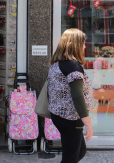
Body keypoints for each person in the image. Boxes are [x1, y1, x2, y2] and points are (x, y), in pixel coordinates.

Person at [48, 28, 93, 163]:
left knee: (79, 151)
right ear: (76, 44)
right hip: (71, 117)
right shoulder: (73, 66)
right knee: (70, 157)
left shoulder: (56, 64)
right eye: (83, 43)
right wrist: (88, 123)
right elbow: (78, 96)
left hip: (59, 115)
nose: (85, 46)